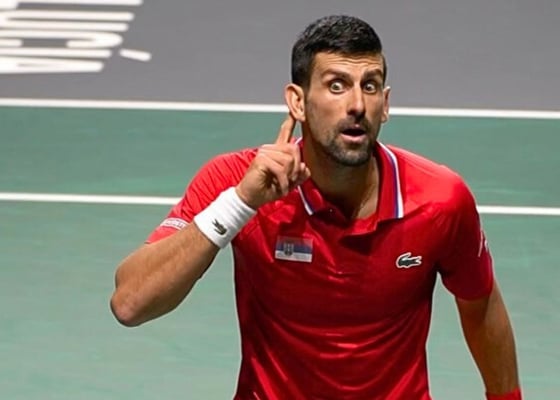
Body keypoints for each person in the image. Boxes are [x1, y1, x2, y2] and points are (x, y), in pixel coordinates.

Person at [110, 15, 522, 400]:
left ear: (386, 104)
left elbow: (480, 304)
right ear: (297, 101)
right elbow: (130, 303)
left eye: (370, 85)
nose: (357, 104)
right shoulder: (236, 181)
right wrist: (240, 204)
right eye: (337, 85)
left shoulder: (439, 200)